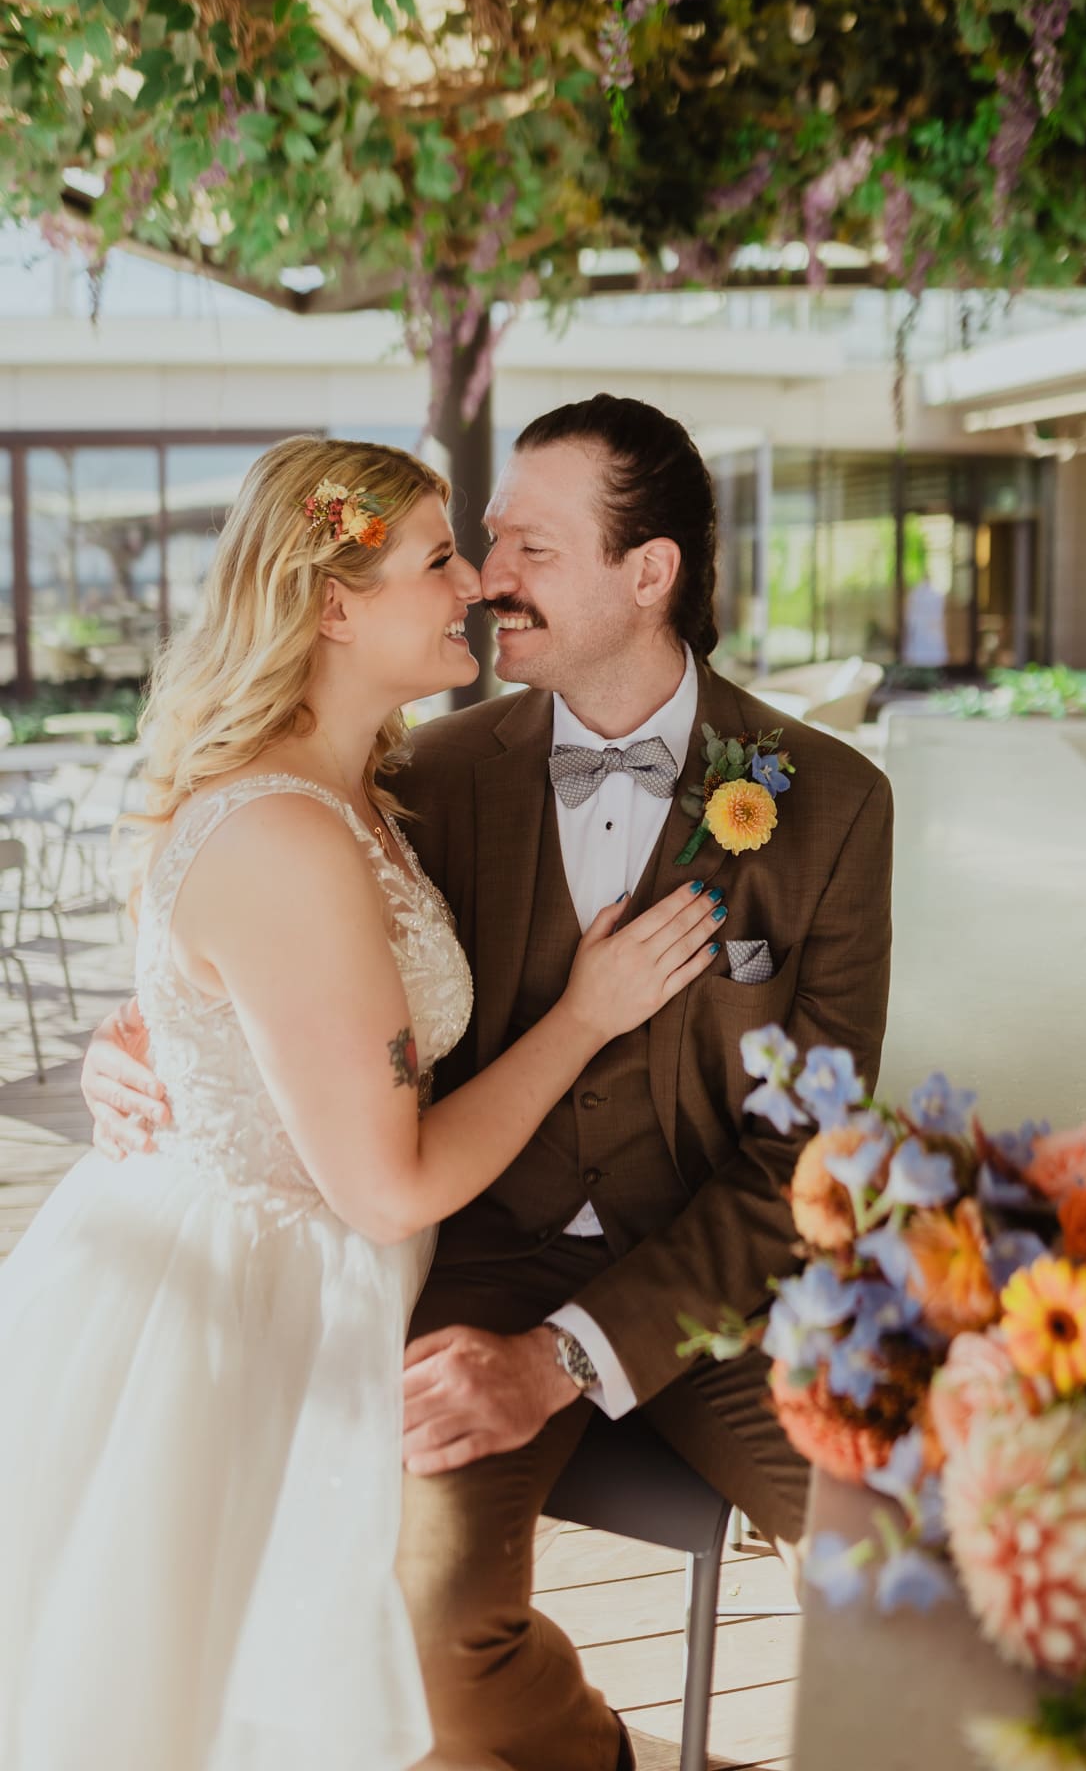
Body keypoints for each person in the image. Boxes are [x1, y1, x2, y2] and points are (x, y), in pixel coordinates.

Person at [85, 396, 895, 1771]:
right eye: (477, 543)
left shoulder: (830, 800)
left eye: (529, 547)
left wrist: (569, 1356)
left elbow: (805, 1160)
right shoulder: (427, 774)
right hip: (474, 1262)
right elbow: (282, 929)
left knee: (916, 1568)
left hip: (725, 1289)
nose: (486, 576)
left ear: (649, 574)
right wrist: (150, 1029)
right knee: (426, 1645)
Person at [1, 435, 720, 1771]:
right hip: (262, 1303)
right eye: (441, 560)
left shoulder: (376, 790)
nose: (477, 586)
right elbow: (387, 1186)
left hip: (364, 1264)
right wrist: (587, 1013)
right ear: (335, 605)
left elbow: (266, 1015)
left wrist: (157, 1035)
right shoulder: (285, 831)